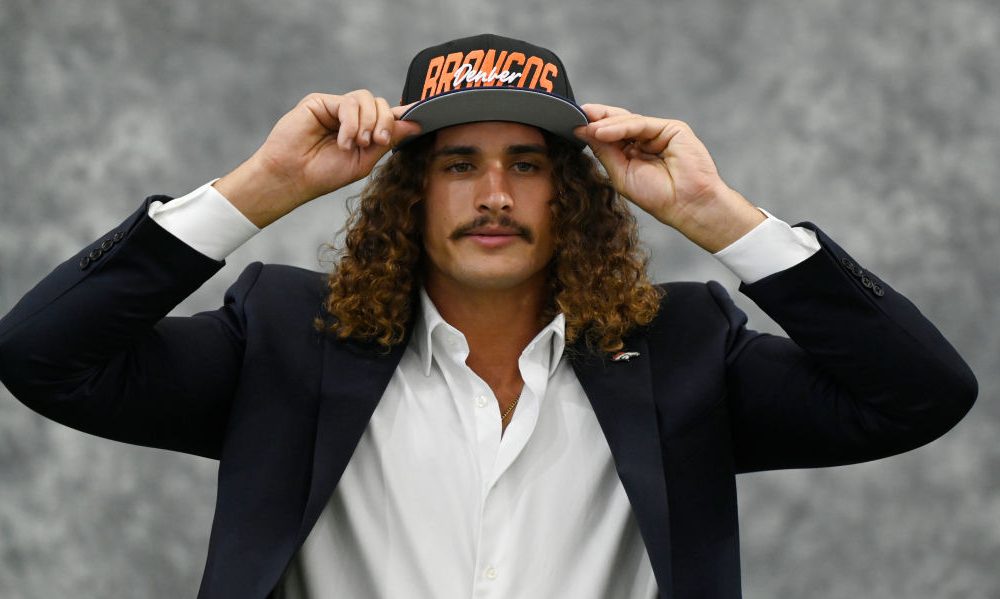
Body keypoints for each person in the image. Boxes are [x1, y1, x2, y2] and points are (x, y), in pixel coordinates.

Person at [0, 33, 977, 599]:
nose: (495, 193)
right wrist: (259, 190)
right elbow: (44, 356)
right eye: (459, 164)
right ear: (409, 194)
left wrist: (715, 215)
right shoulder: (283, 338)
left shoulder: (683, 349)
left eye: (528, 164)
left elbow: (920, 395)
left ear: (572, 193)